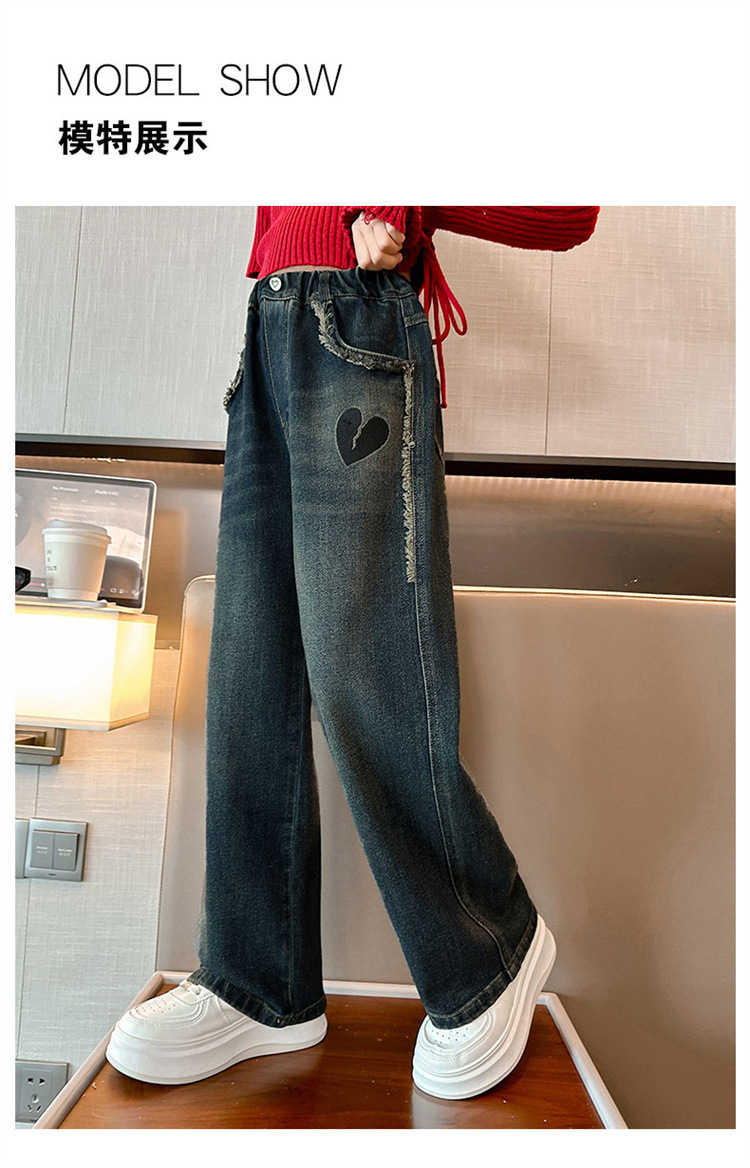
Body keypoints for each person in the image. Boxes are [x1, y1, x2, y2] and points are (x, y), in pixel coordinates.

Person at [106, 205, 600, 1100]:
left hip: (357, 324)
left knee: (363, 675)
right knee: (249, 678)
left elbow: (568, 211)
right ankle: (258, 983)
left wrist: (399, 196)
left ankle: (489, 951)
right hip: (271, 328)